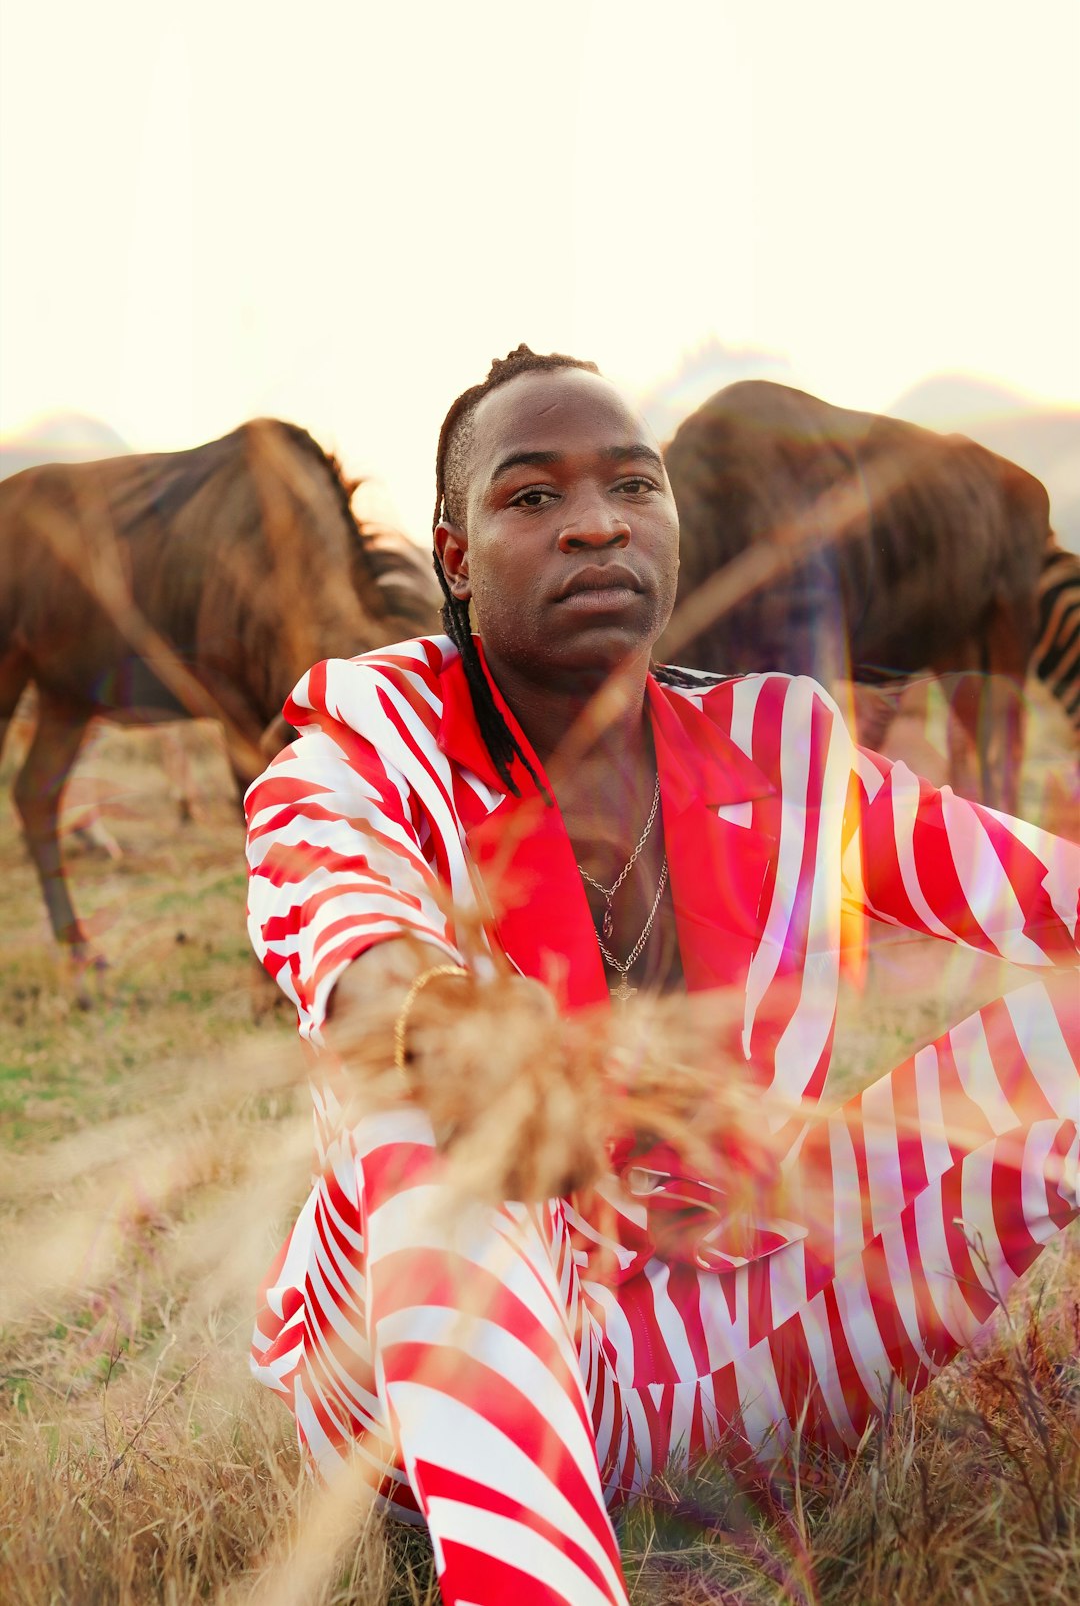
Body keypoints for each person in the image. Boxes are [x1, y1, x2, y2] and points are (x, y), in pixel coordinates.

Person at [246, 346, 1079, 1606]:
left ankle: (693, 1474)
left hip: (735, 1352)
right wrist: (443, 1016)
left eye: (634, 486)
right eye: (532, 497)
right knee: (431, 1111)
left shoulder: (780, 752)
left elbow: (1043, 896)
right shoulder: (374, 742)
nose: (596, 523)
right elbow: (334, 910)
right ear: (454, 556)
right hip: (428, 1399)